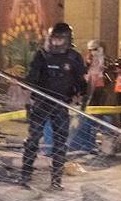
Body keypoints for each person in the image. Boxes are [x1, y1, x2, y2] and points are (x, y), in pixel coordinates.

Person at [20, 22, 87, 190]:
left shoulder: (74, 58)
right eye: (53, 39)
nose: (56, 42)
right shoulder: (42, 55)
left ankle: (56, 180)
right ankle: (25, 174)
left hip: (61, 104)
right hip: (41, 103)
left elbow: (80, 82)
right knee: (33, 138)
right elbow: (32, 77)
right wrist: (26, 84)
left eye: (59, 39)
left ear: (67, 40)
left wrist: (81, 93)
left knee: (60, 142)